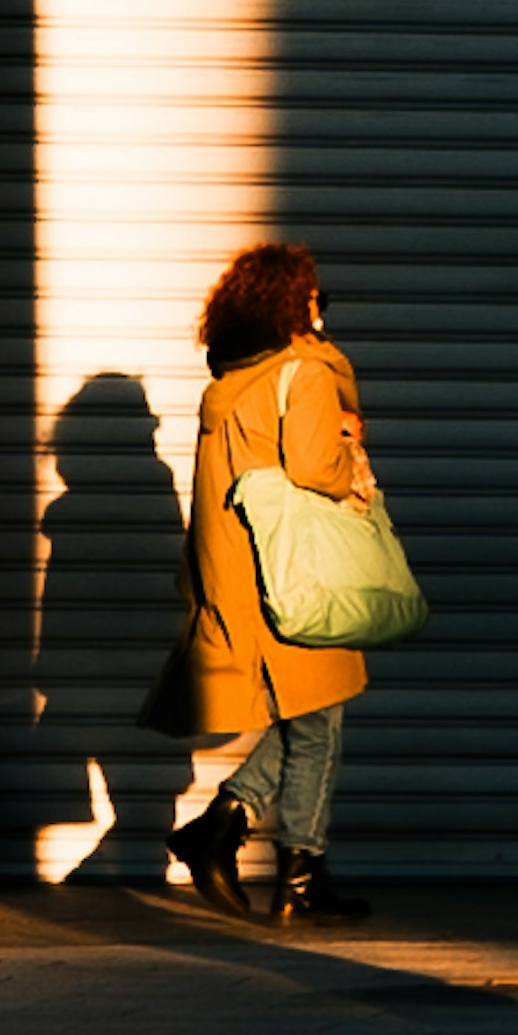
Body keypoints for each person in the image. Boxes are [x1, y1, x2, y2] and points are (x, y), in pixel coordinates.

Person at [154, 238, 380, 925]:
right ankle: (290, 872)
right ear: (294, 304)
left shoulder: (226, 385)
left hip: (246, 572)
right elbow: (314, 470)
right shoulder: (303, 375)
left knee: (309, 715)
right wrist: (347, 446)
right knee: (320, 722)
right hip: (299, 574)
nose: (322, 308)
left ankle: (238, 837)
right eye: (316, 297)